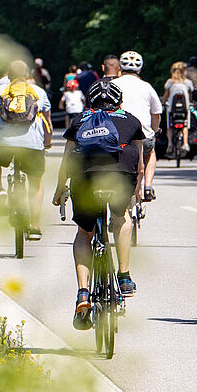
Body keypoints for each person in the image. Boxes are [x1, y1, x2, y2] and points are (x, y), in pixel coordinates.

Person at [52, 79, 146, 328]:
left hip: (86, 179)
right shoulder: (131, 120)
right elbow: (140, 165)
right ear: (119, 102)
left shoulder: (80, 120)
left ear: (89, 102)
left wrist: (60, 188)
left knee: (85, 233)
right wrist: (137, 190)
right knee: (122, 218)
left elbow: (67, 161)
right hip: (120, 176)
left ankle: (83, 293)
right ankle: (124, 276)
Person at [0, 60, 52, 238]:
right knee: (35, 183)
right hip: (32, 145)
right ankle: (35, 227)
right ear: (27, 75)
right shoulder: (39, 92)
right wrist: (47, 142)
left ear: (9, 75)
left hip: (3, 143)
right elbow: (48, 124)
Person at [111, 51, 163, 201]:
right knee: (150, 152)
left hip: (119, 136)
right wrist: (154, 130)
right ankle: (148, 186)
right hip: (143, 134)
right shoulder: (146, 86)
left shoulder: (113, 85)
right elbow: (156, 113)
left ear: (120, 67)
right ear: (140, 69)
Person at [163, 60, 193, 155]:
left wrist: (163, 103)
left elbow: (165, 95)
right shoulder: (188, 82)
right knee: (185, 125)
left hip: (172, 109)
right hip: (185, 109)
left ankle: (170, 143)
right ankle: (185, 143)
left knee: (169, 125)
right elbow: (190, 96)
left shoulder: (170, 82)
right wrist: (191, 102)